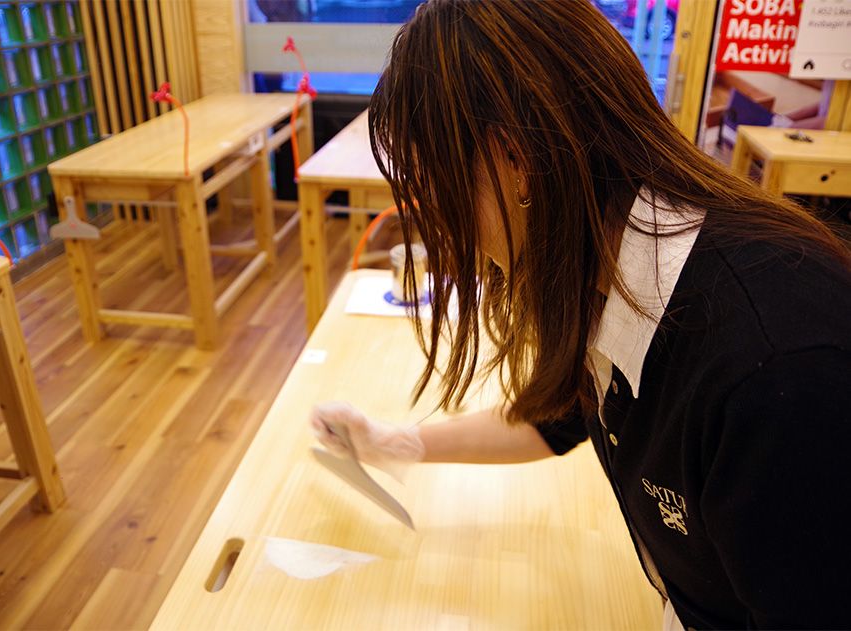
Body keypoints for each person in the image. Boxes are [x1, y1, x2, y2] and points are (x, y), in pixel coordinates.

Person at [311, 1, 851, 628]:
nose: (436, 215)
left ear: (514, 160)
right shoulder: (615, 264)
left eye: (435, 180)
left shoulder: (776, 372)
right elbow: (561, 415)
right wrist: (396, 443)